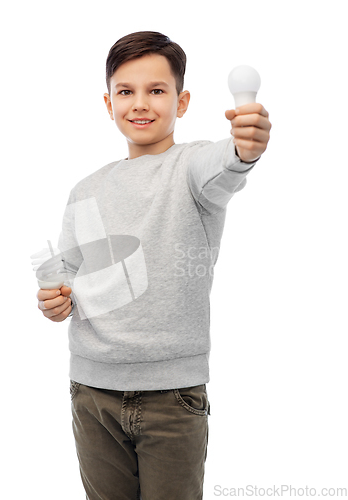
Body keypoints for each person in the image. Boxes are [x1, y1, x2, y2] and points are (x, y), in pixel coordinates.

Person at [35, 31, 271, 499]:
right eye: (126, 91)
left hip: (172, 397)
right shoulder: (86, 189)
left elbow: (230, 161)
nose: (140, 104)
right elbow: (67, 277)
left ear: (182, 102)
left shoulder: (193, 168)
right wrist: (54, 300)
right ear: (108, 103)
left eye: (156, 91)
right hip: (91, 391)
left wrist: (246, 144)